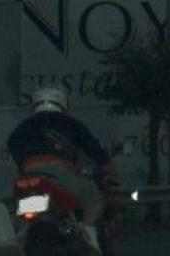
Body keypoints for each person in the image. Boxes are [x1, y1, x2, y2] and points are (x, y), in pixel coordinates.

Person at [7, 85, 120, 254]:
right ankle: (87, 231)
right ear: (62, 103)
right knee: (95, 199)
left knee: (18, 211)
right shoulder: (71, 124)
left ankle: (21, 234)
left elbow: (12, 144)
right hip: (59, 174)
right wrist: (110, 172)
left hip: (28, 176)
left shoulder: (23, 126)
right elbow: (96, 152)